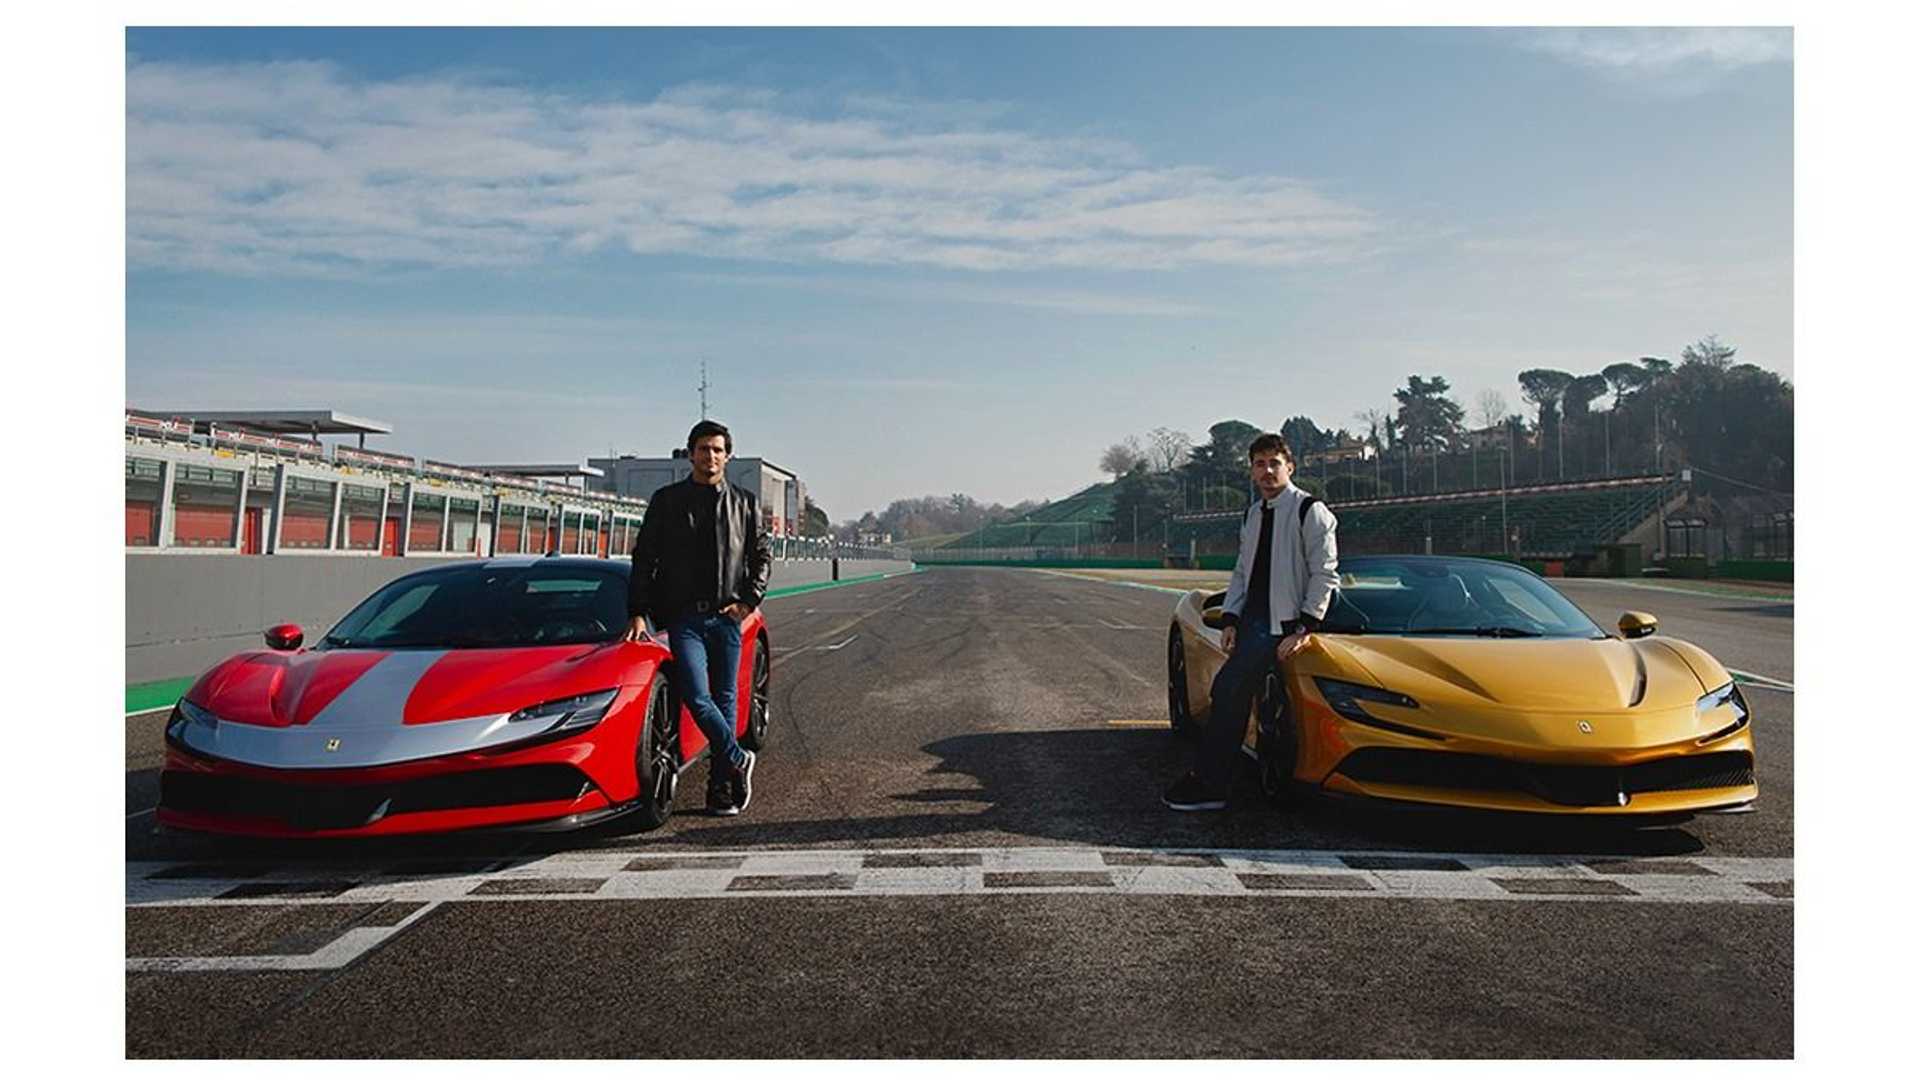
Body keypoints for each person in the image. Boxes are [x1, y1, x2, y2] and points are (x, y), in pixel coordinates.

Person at [1163, 432, 1338, 811]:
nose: (1267, 471)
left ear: (1289, 467)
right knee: (1233, 695)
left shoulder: (1311, 511)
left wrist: (1305, 626)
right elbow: (1243, 571)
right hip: (1252, 624)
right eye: (1260, 464)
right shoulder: (1252, 514)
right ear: (1252, 472)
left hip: (1283, 626)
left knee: (1227, 690)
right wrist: (1230, 619)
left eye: (1275, 463)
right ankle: (1218, 777)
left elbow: (1325, 573)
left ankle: (1210, 785)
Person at [625, 420, 773, 816]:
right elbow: (644, 558)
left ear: (728, 456)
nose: (711, 456)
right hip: (684, 617)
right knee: (696, 695)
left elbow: (761, 556)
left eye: (718, 450)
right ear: (690, 453)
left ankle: (721, 788)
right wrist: (638, 610)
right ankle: (738, 757)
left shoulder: (745, 503)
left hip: (728, 617)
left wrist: (748, 601)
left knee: (725, 700)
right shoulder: (667, 501)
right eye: (704, 449)